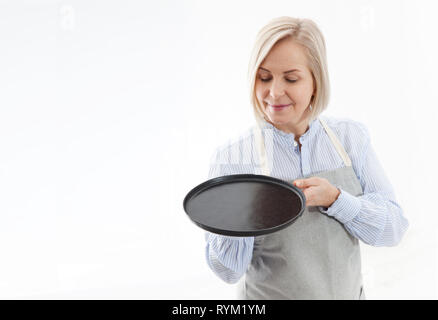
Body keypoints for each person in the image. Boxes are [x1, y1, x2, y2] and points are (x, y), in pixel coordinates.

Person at [204, 16, 409, 300]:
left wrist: (337, 199)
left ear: (316, 80)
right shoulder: (234, 158)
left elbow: (393, 229)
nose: (274, 92)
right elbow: (228, 271)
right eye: (264, 77)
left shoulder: (349, 139)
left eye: (291, 78)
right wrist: (244, 214)